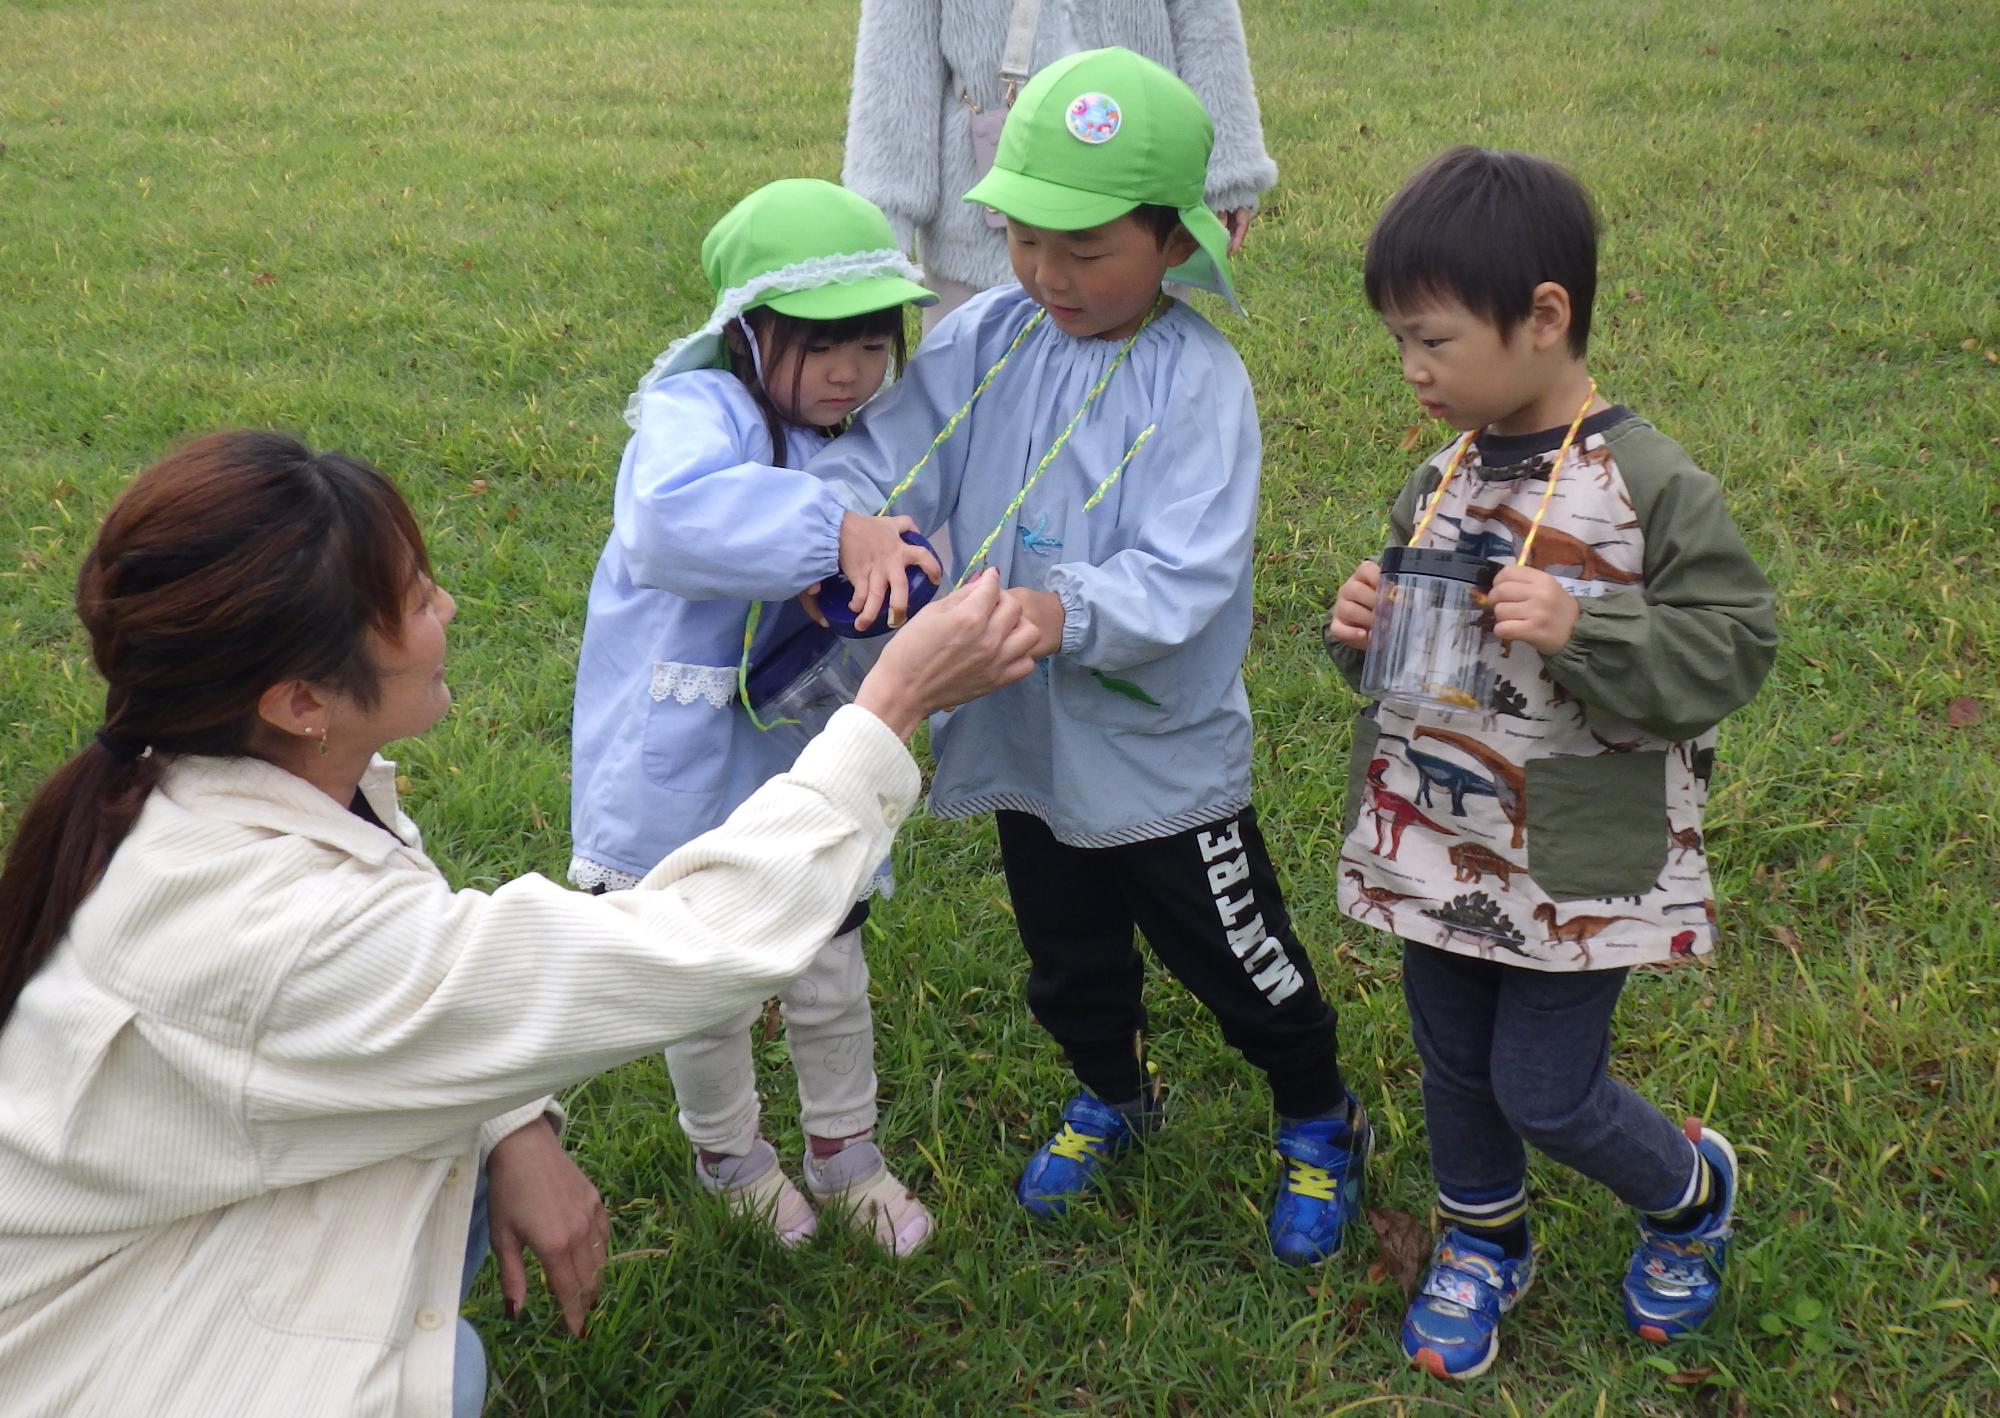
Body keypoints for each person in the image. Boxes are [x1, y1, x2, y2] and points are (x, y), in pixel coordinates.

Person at [0, 430, 1035, 1418]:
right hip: (84, 1362)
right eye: (411, 598)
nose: (446, 603)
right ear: (301, 699)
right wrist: (889, 703)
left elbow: (431, 991)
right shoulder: (266, 932)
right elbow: (680, 946)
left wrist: (512, 1123)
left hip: (155, 1227)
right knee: (434, 1376)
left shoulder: (209, 782)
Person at [812, 49, 1369, 1266]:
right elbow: (898, 441)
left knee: (1234, 950)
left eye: (1085, 251)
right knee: (1064, 953)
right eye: (1022, 239)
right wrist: (858, 524)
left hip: (1155, 749)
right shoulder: (988, 336)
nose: (1046, 275)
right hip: (1023, 733)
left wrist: (1061, 612)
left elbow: (1188, 572)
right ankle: (1111, 1090)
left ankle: (1318, 1111)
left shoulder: (1198, 381)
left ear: (1174, 242)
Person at [1323, 147, 1778, 1378]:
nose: (1410, 370)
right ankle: (1484, 1238)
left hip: (1576, 845)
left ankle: (1687, 1191)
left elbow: (1737, 641)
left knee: (1542, 1083)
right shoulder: (1442, 472)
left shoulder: (1644, 481)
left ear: (1542, 317)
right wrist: (1355, 626)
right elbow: (1409, 661)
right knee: (1451, 1061)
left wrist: (1585, 624)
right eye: (1397, 344)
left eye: (1429, 341)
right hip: (1434, 831)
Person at [572, 178, 945, 1255]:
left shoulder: (847, 429)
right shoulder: (694, 417)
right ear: (743, 330)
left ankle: (846, 1150)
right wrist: (837, 531)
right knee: (707, 978)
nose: (850, 370)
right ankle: (727, 1152)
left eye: (874, 342)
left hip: (795, 751)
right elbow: (667, 519)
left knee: (828, 957)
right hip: (683, 759)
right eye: (820, 343)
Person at [843, 0, 1275, 331]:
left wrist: (1227, 167)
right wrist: (880, 222)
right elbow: (895, 60)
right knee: (976, 390)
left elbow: (1206, 23)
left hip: (1139, 177)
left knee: (1135, 374)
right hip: (979, 218)